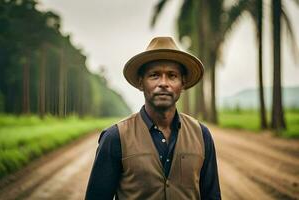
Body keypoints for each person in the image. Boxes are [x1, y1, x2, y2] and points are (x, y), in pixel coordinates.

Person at [85, 37, 221, 200]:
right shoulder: (115, 138)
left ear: (182, 83)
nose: (163, 83)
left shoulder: (202, 135)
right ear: (141, 82)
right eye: (154, 75)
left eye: (172, 76)